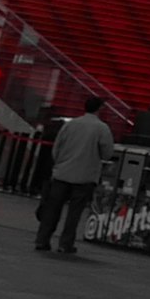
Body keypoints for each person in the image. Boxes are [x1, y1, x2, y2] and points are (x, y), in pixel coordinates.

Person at [37, 96, 117, 256]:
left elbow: (56, 148)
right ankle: (65, 244)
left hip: (62, 173)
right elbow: (107, 153)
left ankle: (42, 240)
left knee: (53, 209)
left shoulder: (71, 125)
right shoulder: (102, 128)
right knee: (74, 212)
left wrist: (59, 165)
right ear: (99, 109)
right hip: (85, 176)